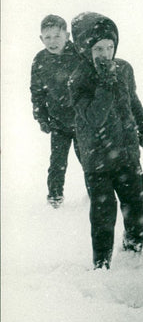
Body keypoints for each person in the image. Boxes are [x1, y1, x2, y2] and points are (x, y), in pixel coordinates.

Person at [68, 12, 143, 270]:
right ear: (86, 50)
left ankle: (133, 251)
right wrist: (105, 83)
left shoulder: (124, 68)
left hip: (126, 151)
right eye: (98, 49)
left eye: (109, 47)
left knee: (138, 203)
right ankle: (102, 264)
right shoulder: (78, 79)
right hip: (97, 158)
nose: (105, 54)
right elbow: (95, 117)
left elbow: (132, 100)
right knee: (104, 214)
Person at [30, 14, 83, 207]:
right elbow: (37, 92)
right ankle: (54, 196)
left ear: (67, 36)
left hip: (82, 121)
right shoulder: (40, 60)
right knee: (57, 163)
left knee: (88, 160)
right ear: (41, 38)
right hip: (58, 122)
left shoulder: (79, 54)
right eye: (48, 37)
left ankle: (96, 191)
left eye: (57, 36)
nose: (52, 41)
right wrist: (42, 118)